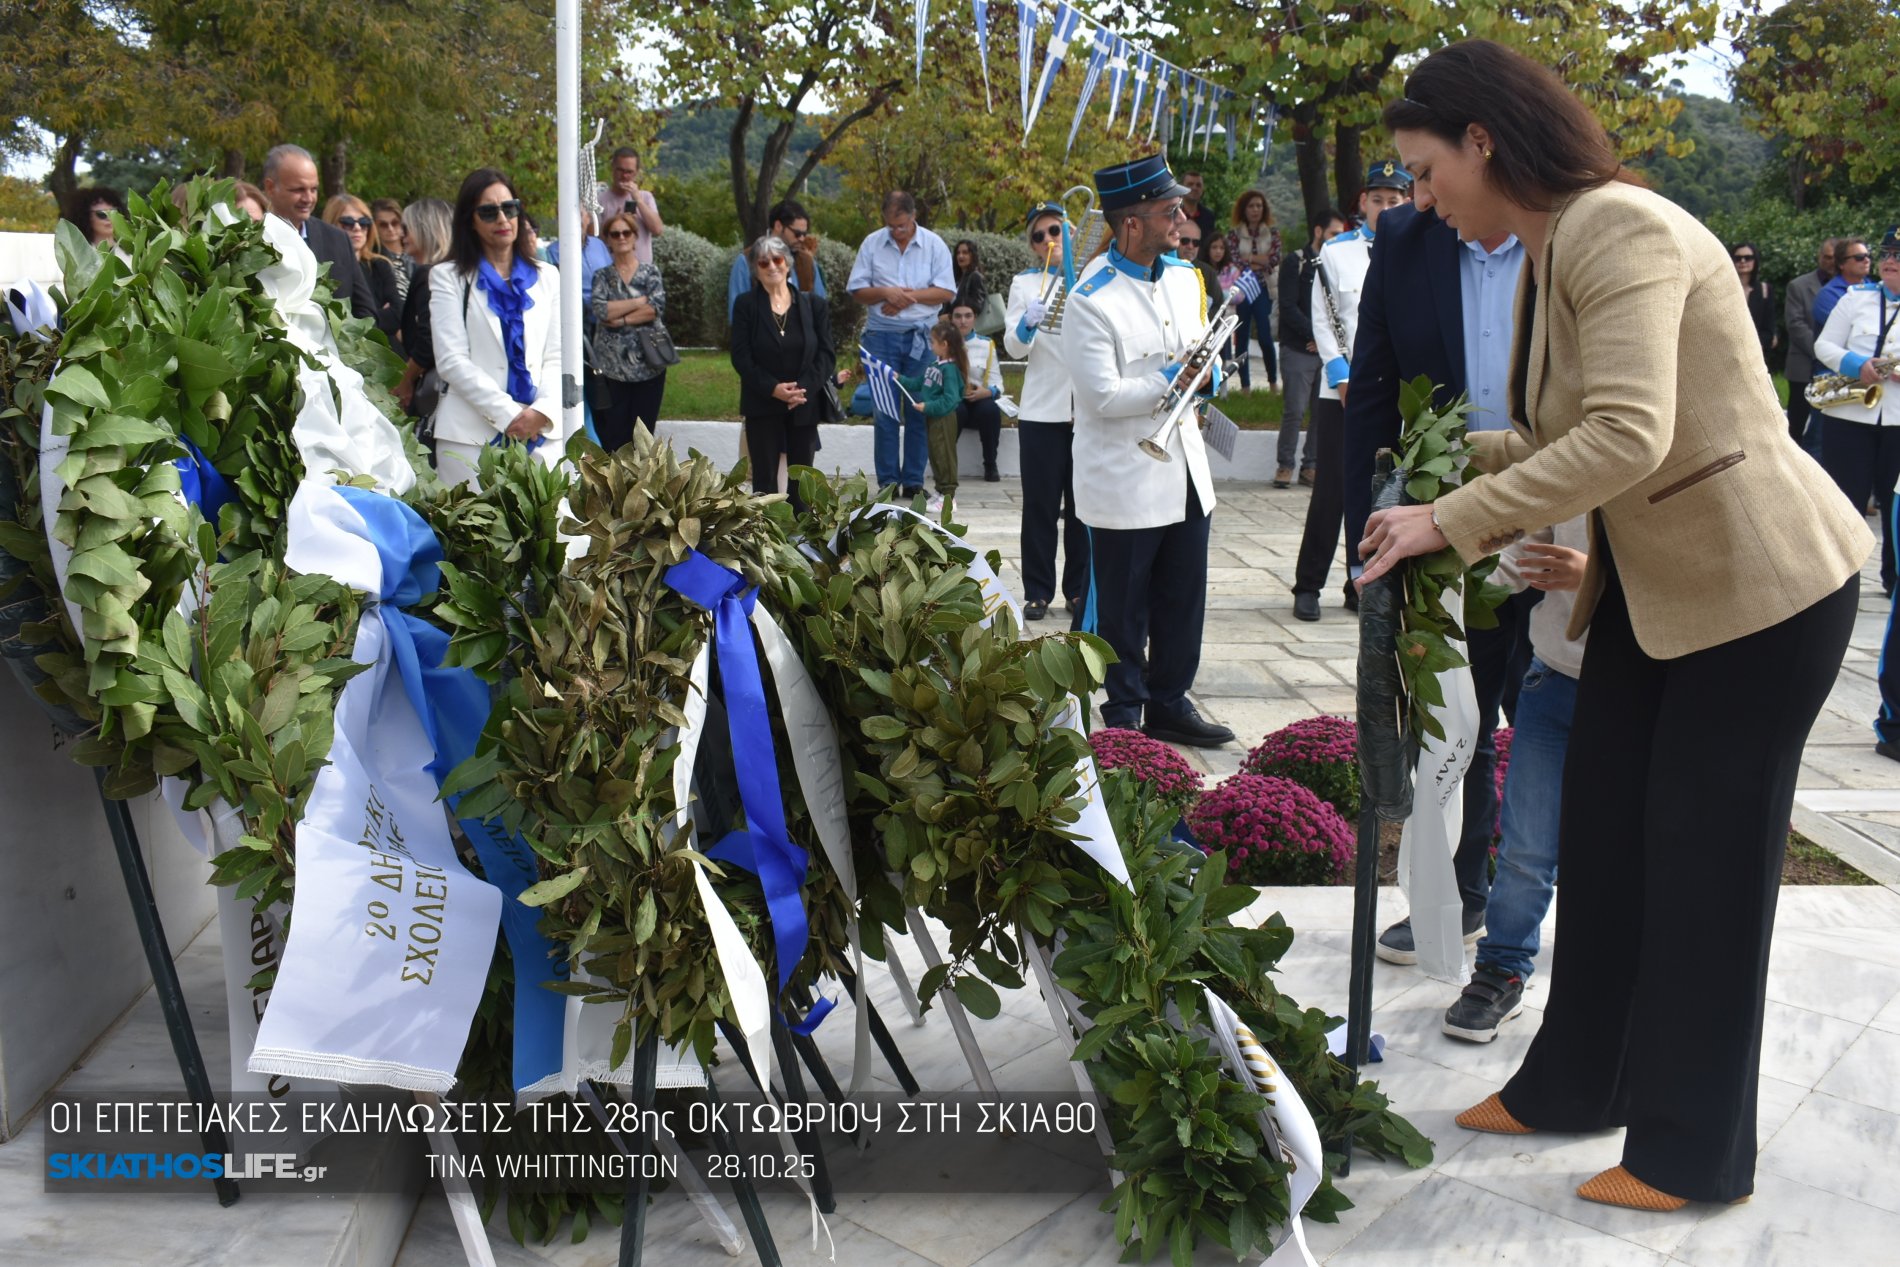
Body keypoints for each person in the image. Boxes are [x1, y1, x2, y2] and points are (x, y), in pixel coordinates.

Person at [1364, 39, 1870, 1212]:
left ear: (1481, 141)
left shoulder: (1615, 228)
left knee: (1703, 868)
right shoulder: (1552, 244)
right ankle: (1573, 1084)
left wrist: (1448, 517)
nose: (1420, 197)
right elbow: (1559, 435)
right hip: (1658, 592)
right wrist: (1430, 470)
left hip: (1760, 592)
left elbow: (1628, 436)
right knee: (1605, 834)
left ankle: (1693, 1154)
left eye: (1424, 168)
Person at [1066, 154, 1235, 749]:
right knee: (1123, 608)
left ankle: (1169, 700)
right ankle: (1126, 710)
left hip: (1185, 464)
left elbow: (1200, 356)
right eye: (1170, 211)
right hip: (1126, 477)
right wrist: (1176, 377)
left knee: (1183, 598)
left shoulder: (1185, 279)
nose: (1182, 220)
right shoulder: (1090, 298)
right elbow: (1103, 396)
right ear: (1131, 224)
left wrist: (1209, 375)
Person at [1440, 519, 1589, 1043]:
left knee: (1615, 850)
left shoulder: (1662, 453)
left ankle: (1611, 986)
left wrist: (1594, 577)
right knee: (1526, 846)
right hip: (1552, 678)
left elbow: (1691, 578)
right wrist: (1443, 588)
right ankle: (1501, 969)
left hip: (1636, 683)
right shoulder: (1573, 459)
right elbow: (1521, 554)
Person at [1294, 163, 1412, 622]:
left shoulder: (1417, 245)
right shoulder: (1336, 253)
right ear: (1362, 202)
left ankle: (1359, 578)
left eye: (1395, 199)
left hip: (1396, 391)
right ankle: (1308, 584)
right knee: (1333, 490)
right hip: (1344, 387)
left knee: (1385, 490)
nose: (1385, 208)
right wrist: (1344, 377)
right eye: (1378, 199)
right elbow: (1324, 318)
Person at [429, 167, 567, 487]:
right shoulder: (447, 277)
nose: (503, 219)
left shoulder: (548, 277)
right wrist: (510, 416)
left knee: (549, 533)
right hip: (469, 440)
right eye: (489, 212)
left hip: (542, 436)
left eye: (510, 208)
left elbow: (558, 356)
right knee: (473, 536)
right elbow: (451, 360)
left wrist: (540, 413)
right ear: (470, 221)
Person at [1005, 203, 1090, 627]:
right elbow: (1014, 348)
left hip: (1086, 410)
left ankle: (1077, 588)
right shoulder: (1024, 284)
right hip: (1042, 410)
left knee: (1082, 508)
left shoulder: (1092, 278)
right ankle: (1037, 590)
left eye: (1055, 230)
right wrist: (1026, 325)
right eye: (1039, 236)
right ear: (1033, 247)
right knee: (1039, 506)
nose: (1049, 240)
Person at [848, 191, 955, 495]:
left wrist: (906, 298)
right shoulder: (872, 243)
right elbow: (856, 289)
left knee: (920, 409)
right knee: (885, 412)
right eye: (891, 226)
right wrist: (885, 292)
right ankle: (888, 482)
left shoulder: (934, 245)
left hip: (923, 338)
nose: (896, 232)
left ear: (913, 217)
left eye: (902, 226)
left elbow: (946, 291)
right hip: (881, 337)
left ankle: (913, 482)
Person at [1814, 229, 1900, 597]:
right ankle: (1836, 578)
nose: (1889, 260)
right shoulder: (1855, 298)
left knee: (1894, 502)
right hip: (1851, 417)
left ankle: (1893, 577)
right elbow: (1824, 345)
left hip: (1897, 420)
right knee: (1844, 499)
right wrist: (1856, 362)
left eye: (1898, 255)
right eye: (1886, 254)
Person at [729, 235, 844, 507]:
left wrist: (801, 389)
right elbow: (741, 357)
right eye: (764, 261)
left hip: (803, 404)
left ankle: (801, 542)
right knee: (765, 484)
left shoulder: (814, 305)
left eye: (777, 259)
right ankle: (767, 541)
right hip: (762, 402)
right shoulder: (746, 305)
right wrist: (773, 389)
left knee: (802, 483)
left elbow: (826, 355)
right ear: (756, 268)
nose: (772, 266)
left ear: (788, 264)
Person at [1274, 209, 1347, 488]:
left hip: (1324, 351)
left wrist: (1325, 342)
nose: (1337, 240)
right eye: (1333, 234)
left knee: (1321, 411)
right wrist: (1315, 334)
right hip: (1298, 348)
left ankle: (1311, 466)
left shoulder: (1336, 264)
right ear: (1318, 232)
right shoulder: (1296, 261)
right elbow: (1288, 307)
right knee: (1294, 409)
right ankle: (1284, 465)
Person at [261, 144, 375, 321]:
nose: (308, 198)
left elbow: (365, 312)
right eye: (298, 190)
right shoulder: (253, 240)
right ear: (270, 188)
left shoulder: (337, 239)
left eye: (313, 189)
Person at [590, 209, 671, 450]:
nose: (621, 237)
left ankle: (643, 486)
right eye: (615, 234)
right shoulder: (602, 276)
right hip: (612, 369)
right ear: (607, 240)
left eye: (626, 232)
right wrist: (638, 302)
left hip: (649, 366)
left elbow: (656, 308)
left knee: (644, 439)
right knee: (614, 437)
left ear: (635, 237)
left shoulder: (650, 272)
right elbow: (601, 311)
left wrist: (622, 319)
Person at [900, 319, 969, 515]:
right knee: (936, 455)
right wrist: (900, 378)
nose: (931, 345)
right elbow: (919, 383)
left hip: (944, 419)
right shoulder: (935, 365)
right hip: (933, 418)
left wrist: (927, 405)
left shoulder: (950, 370)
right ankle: (940, 492)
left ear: (944, 345)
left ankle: (948, 498)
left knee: (945, 455)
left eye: (933, 342)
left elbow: (950, 399)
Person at [394, 198, 452, 426]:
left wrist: (406, 379)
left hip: (434, 391)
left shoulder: (430, 275)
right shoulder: (456, 273)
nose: (402, 236)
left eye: (406, 229)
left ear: (424, 229)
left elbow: (430, 339)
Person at [727, 198, 826, 323]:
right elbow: (736, 316)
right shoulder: (746, 260)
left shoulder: (807, 262)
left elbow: (821, 309)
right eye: (797, 233)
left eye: (804, 234)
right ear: (778, 226)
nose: (802, 239)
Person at [322, 194, 404, 340]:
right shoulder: (322, 267)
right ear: (331, 225)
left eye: (364, 222)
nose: (357, 228)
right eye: (347, 222)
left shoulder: (380, 265)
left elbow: (397, 315)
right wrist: (376, 314)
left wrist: (361, 317)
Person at [1785, 238, 1839, 450]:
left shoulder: (1857, 288)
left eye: (1835, 258)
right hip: (1804, 366)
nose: (1831, 262)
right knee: (1797, 425)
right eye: (1827, 257)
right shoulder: (1798, 286)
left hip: (1835, 370)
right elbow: (1796, 325)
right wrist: (1824, 351)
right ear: (1819, 257)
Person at [1225, 190, 1281, 390]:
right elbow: (1234, 260)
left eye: (1259, 205)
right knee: (1241, 340)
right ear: (1244, 209)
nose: (1255, 210)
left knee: (1266, 338)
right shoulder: (1234, 234)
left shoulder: (1272, 233)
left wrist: (1250, 260)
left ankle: (1273, 382)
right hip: (1242, 291)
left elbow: (1274, 259)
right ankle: (1245, 386)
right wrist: (1259, 261)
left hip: (1264, 289)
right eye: (1251, 206)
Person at [949, 300, 1004, 482]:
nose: (963, 321)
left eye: (968, 316)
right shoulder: (943, 344)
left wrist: (986, 392)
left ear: (974, 319)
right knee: (956, 410)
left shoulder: (986, 345)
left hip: (979, 398)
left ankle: (990, 464)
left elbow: (998, 384)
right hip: (954, 400)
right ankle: (946, 465)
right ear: (951, 319)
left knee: (990, 410)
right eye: (958, 316)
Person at [595, 147, 664, 265]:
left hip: (642, 269)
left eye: (629, 172)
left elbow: (657, 230)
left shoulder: (646, 197)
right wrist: (614, 223)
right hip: (611, 269)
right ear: (612, 169)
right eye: (620, 170)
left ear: (636, 173)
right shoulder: (599, 200)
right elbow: (596, 241)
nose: (624, 176)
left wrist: (638, 200)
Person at [1814, 235, 1871, 331]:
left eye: (1868, 256)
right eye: (1859, 257)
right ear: (1841, 264)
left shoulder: (1877, 289)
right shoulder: (1828, 295)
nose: (1867, 260)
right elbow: (1846, 330)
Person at [1731, 240, 1776, 364]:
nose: (1743, 261)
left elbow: (1768, 327)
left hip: (1756, 354)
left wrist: (1755, 348)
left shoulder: (1764, 289)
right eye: (1738, 258)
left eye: (1748, 258)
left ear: (1755, 260)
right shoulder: (1724, 289)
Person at [369, 197, 412, 306]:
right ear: (375, 227)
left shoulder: (416, 253)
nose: (390, 228)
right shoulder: (373, 262)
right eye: (383, 225)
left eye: (395, 223)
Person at [61, 186, 125, 245]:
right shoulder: (75, 254)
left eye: (114, 213)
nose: (109, 218)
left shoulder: (132, 251)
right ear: (86, 217)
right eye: (102, 214)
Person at [948, 239, 988, 316]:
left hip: (966, 325)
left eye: (965, 253)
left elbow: (978, 306)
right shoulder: (957, 278)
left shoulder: (975, 276)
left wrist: (950, 316)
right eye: (958, 253)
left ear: (973, 255)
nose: (960, 256)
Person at [1180, 170, 1219, 249]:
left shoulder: (1209, 217)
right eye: (1190, 184)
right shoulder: (1172, 213)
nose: (1194, 188)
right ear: (1181, 187)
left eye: (1198, 185)